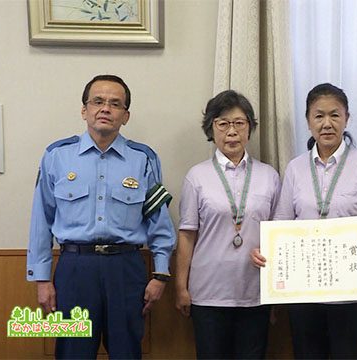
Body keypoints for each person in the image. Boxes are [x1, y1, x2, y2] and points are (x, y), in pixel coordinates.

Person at [26, 74, 176, 358]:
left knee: (127, 351)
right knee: (73, 352)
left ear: (125, 115)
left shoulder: (144, 158)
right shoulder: (57, 155)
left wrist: (160, 275)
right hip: (75, 269)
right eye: (98, 101)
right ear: (84, 110)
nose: (105, 108)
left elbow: (159, 221)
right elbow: (41, 220)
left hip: (126, 269)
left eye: (115, 104)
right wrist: (42, 279)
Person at [251, 83, 357, 359]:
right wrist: (265, 254)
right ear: (308, 121)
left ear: (346, 118)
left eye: (335, 115)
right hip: (305, 292)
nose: (327, 123)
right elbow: (282, 225)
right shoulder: (295, 168)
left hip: (352, 294)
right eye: (319, 116)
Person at [174, 90, 281, 359]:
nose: (231, 131)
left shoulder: (269, 176)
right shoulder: (196, 177)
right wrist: (181, 287)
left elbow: (279, 235)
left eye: (239, 123)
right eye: (222, 124)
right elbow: (187, 235)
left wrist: (278, 291)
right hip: (208, 293)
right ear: (211, 129)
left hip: (255, 292)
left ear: (250, 128)